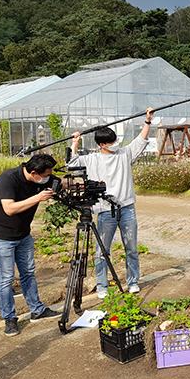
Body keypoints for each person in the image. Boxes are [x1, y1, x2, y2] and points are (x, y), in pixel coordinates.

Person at [69, 109, 154, 298]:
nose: (115, 144)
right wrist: (75, 143)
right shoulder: (92, 159)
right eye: (111, 142)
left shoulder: (124, 154)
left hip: (127, 209)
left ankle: (132, 282)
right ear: (101, 144)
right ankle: (102, 286)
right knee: (102, 251)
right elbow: (72, 164)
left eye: (115, 140)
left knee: (131, 247)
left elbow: (140, 141)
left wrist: (147, 121)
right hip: (105, 211)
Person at [0, 153, 62, 336]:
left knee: (28, 272)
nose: (48, 179)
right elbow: (9, 209)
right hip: (1, 235)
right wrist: (38, 198)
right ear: (34, 173)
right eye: (45, 176)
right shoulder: (8, 178)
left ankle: (37, 310)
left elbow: (62, 183)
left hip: (23, 234)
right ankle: (9, 318)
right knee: (6, 278)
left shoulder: (42, 178)